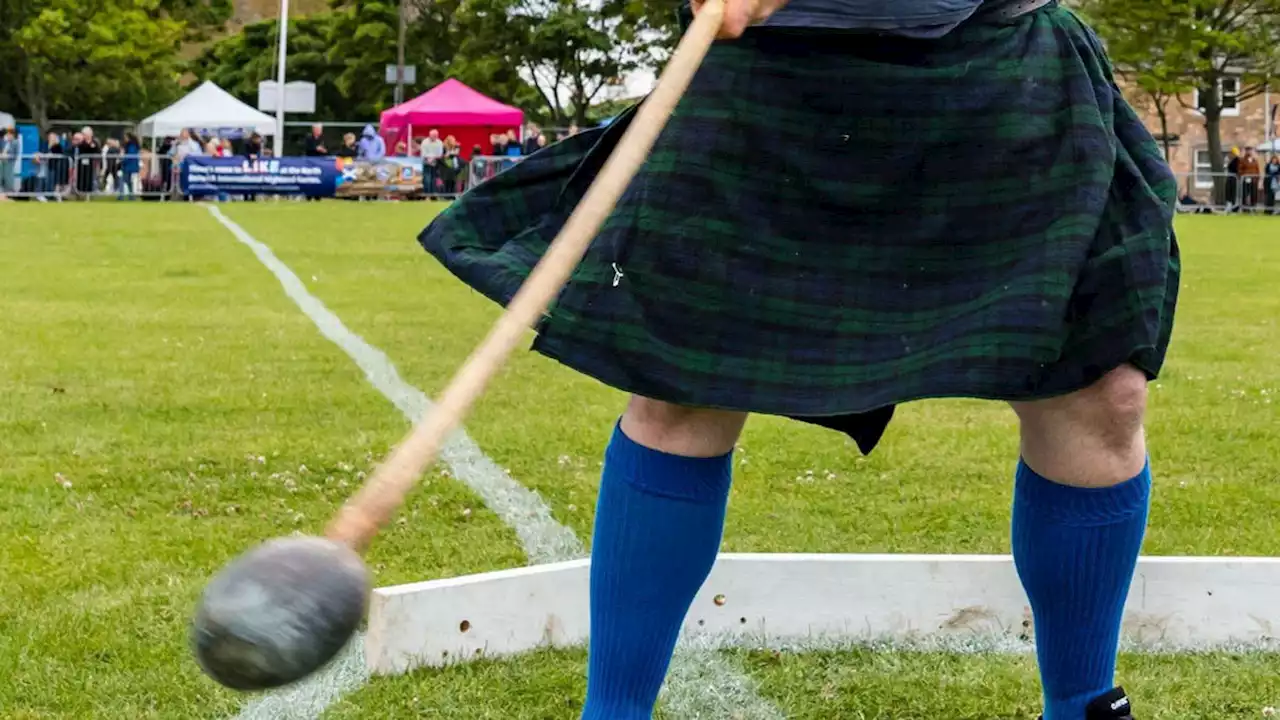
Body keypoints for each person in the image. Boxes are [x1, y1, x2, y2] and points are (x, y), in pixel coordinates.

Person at [418, 1, 1180, 719]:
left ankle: (1081, 708)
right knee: (679, 391)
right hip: (768, 71)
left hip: (1001, 61)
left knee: (1098, 392)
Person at [120, 133, 141, 199]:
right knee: (128, 181)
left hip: (129, 166)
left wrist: (122, 161)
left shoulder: (131, 146)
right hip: (130, 165)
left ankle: (122, 196)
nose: (125, 139)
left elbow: (130, 156)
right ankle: (131, 196)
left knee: (123, 180)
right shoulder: (133, 145)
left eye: (125, 137)